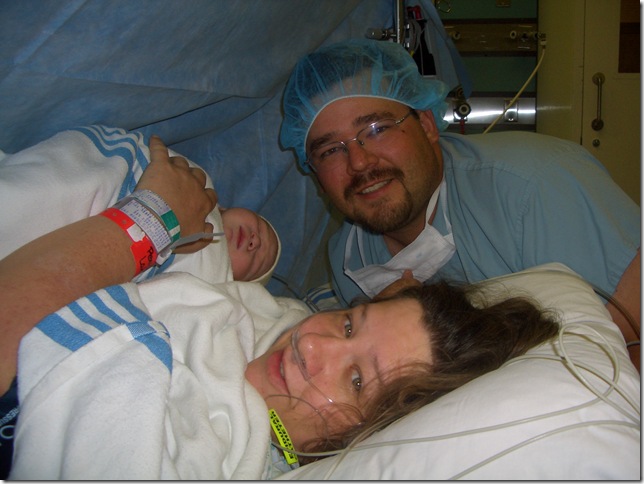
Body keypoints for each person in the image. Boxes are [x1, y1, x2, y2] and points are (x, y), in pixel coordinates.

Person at [0, 136, 560, 479]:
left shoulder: (213, 455)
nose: (310, 344)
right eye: (348, 324)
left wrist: (151, 219)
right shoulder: (266, 331)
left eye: (357, 380)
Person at [278, 38, 640, 365]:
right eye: (330, 150)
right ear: (315, 175)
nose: (359, 163)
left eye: (376, 129)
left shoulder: (535, 187)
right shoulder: (351, 262)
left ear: (427, 125)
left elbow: (632, 330)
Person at [0, 125, 281, 286]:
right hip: (110, 181)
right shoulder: (202, 185)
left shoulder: (207, 280)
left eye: (257, 261)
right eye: (260, 226)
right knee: (51, 192)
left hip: (87, 254)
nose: (255, 241)